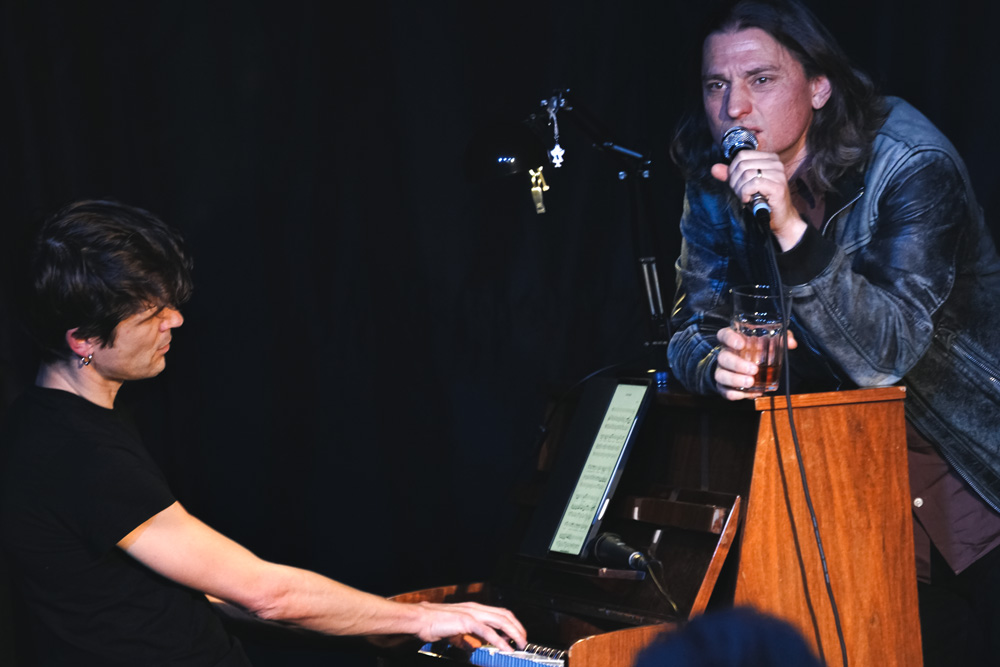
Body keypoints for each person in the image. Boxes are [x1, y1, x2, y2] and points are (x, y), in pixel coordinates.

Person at [0, 199, 527, 666]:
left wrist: (375, 621)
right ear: (83, 339)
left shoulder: (57, 424)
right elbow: (266, 593)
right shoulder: (76, 452)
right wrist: (423, 619)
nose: (176, 322)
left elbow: (201, 592)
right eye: (152, 315)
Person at [665, 1, 1000, 665]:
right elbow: (687, 328)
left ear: (818, 86)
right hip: (840, 485)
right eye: (715, 85)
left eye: (760, 80)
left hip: (963, 473)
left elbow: (885, 356)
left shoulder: (911, 164)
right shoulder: (715, 178)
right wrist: (714, 364)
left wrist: (792, 231)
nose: (734, 108)